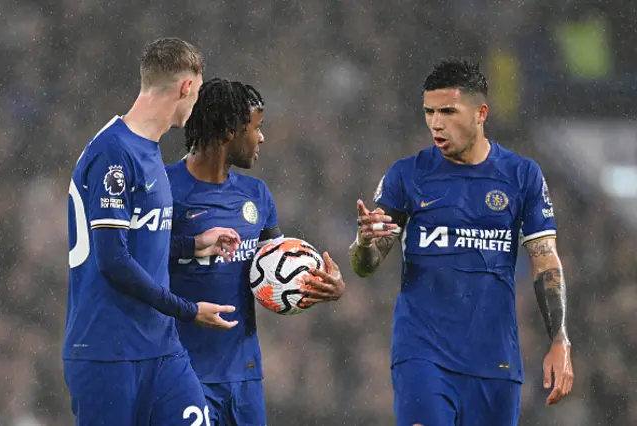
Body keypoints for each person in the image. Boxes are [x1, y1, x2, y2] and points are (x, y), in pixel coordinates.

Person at [349, 59, 574, 426]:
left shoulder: (521, 176)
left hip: (495, 360)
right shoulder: (408, 175)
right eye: (429, 112)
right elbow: (367, 265)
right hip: (423, 354)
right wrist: (362, 243)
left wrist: (559, 339)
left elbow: (545, 261)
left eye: (448, 111)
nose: (436, 123)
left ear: (481, 112)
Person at [64, 38, 242, 426]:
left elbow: (142, 242)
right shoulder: (113, 152)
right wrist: (189, 311)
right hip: (108, 352)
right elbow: (113, 259)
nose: (194, 107)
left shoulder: (149, 151)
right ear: (186, 87)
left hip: (161, 351)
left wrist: (194, 245)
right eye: (196, 95)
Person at [167, 78, 346, 426]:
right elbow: (138, 258)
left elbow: (276, 273)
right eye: (256, 128)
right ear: (230, 131)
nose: (261, 138)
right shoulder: (165, 188)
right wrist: (191, 246)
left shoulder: (257, 195)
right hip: (183, 372)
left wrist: (323, 287)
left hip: (244, 376)